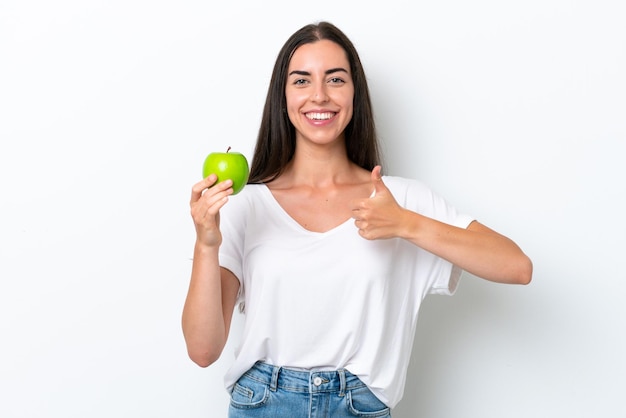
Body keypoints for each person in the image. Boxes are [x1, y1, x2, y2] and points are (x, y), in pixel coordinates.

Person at [182, 21, 532, 418]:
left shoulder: (399, 200)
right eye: (301, 81)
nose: (319, 95)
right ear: (282, 97)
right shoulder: (246, 204)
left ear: (355, 93)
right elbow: (203, 350)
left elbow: (516, 266)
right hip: (262, 404)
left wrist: (404, 223)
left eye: (335, 79)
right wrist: (206, 244)